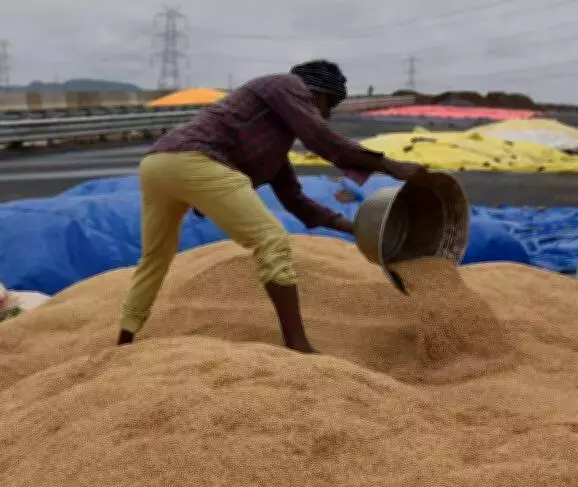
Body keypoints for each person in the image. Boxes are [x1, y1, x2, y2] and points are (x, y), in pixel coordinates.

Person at [117, 59, 425, 353]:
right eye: (328, 106)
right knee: (272, 241)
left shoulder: (274, 144)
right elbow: (320, 137)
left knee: (155, 257)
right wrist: (389, 165)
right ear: (315, 92)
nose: (326, 115)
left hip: (157, 165)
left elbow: (296, 201)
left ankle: (125, 336)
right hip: (194, 160)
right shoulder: (286, 84)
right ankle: (297, 344)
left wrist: (353, 227)